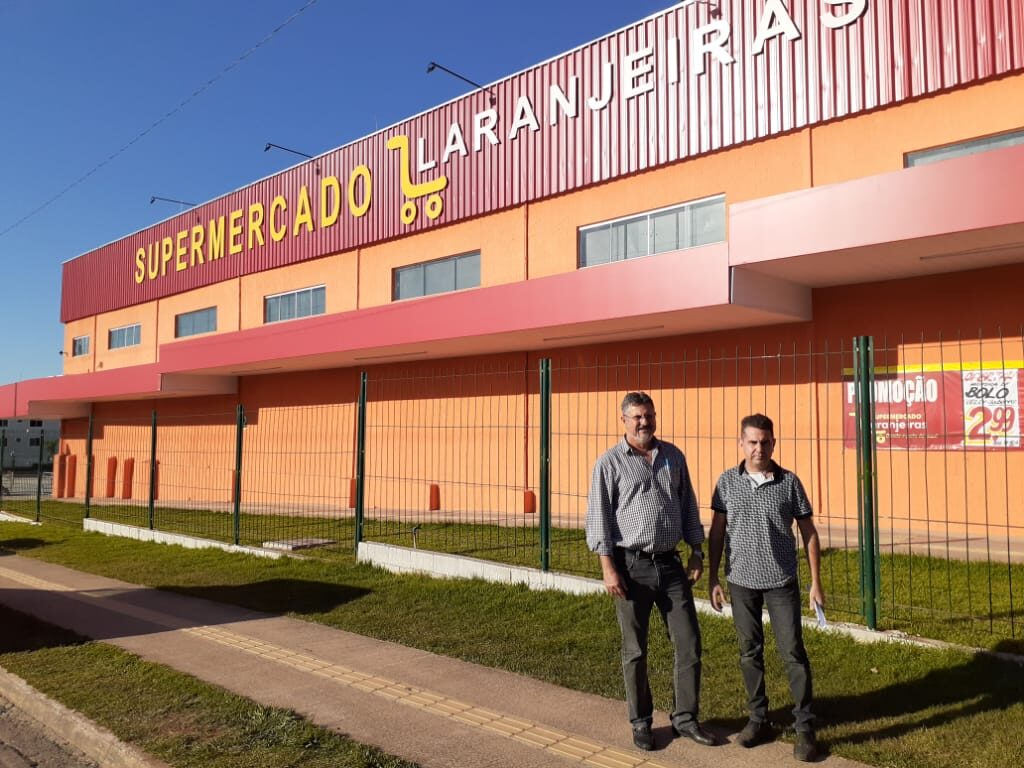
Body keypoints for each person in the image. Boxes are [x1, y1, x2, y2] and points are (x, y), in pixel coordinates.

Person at [585, 391, 714, 751]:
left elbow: (688, 505)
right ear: (623, 420)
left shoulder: (673, 456)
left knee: (689, 643)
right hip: (631, 566)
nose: (644, 422)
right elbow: (599, 519)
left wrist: (697, 552)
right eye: (637, 417)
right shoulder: (609, 463)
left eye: (649, 415)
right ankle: (641, 722)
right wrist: (608, 568)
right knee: (636, 650)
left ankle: (685, 719)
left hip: (671, 565)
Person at [707, 413, 824, 762]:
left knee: (793, 654)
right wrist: (713, 577)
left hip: (781, 582)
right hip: (741, 582)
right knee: (749, 652)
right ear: (741, 443)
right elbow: (716, 531)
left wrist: (816, 582)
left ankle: (804, 726)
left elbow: (808, 532)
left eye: (765, 442)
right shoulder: (727, 483)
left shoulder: (789, 483)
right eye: (752, 442)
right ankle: (758, 718)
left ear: (774, 443)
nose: (759, 448)